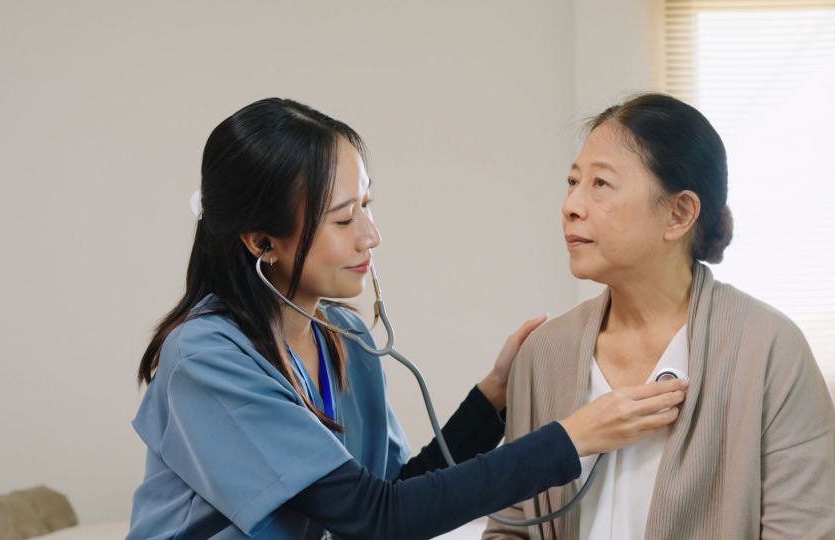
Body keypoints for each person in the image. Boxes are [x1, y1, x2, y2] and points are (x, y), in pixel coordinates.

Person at [127, 97, 690, 540]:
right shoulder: (205, 361)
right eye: (344, 219)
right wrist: (575, 437)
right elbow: (377, 519)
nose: (371, 236)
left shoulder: (343, 338)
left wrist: (489, 400)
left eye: (367, 206)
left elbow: (392, 491)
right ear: (262, 241)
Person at [483, 93, 835, 540]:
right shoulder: (544, 353)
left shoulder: (769, 349)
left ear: (678, 214)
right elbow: (511, 529)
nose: (571, 205)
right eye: (573, 182)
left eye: (600, 184)